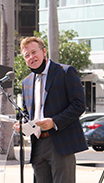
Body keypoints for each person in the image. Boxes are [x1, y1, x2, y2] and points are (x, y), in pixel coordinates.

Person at [14, 37, 88, 183]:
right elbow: (27, 113)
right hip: (37, 144)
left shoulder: (65, 72)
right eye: (27, 55)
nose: (31, 57)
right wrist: (23, 125)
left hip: (60, 142)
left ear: (44, 51)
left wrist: (54, 122)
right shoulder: (26, 82)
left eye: (34, 52)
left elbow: (79, 105)